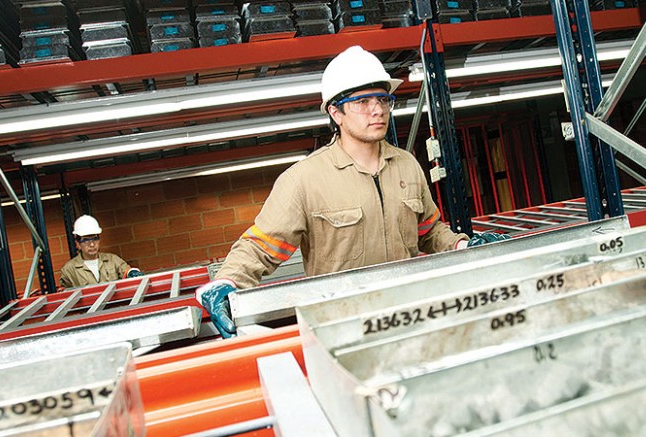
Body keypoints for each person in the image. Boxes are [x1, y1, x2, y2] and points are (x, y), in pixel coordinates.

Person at [197, 46, 509, 338]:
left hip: (413, 317)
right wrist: (228, 281)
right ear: (336, 113)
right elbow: (260, 248)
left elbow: (428, 231)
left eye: (383, 100)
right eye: (363, 103)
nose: (377, 111)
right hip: (344, 329)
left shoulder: (407, 165)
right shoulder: (304, 180)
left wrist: (462, 245)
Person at [59, 214, 144, 288]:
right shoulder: (69, 270)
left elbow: (126, 270)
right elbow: (64, 294)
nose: (92, 244)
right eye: (86, 240)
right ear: (78, 244)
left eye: (95, 239)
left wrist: (132, 272)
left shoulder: (112, 260)